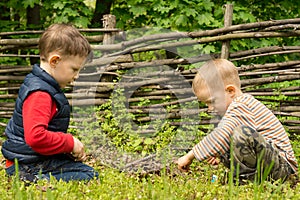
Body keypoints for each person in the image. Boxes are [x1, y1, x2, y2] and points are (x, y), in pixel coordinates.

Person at [1, 23, 98, 182]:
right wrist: (69, 142)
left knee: (82, 170)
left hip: (29, 158)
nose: (77, 76)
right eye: (74, 69)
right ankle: (33, 179)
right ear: (55, 61)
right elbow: (36, 137)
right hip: (26, 163)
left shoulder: (42, 85)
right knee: (89, 174)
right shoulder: (40, 94)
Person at [177, 59, 298, 183]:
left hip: (284, 170)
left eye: (212, 101)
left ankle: (244, 182)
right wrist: (220, 153)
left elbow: (222, 134)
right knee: (227, 141)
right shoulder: (235, 111)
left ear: (230, 91)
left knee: (240, 133)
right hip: (271, 166)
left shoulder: (242, 105)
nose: (210, 108)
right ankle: (246, 181)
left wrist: (189, 156)